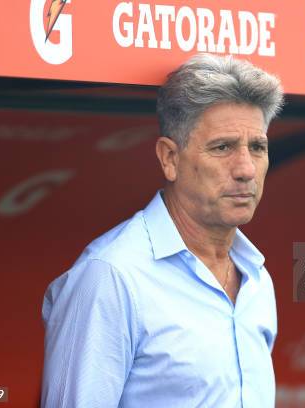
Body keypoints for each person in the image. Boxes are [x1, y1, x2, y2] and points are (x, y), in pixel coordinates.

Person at [41, 53, 284, 407]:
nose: (246, 168)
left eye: (257, 147)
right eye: (222, 147)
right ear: (170, 158)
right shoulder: (111, 275)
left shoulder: (256, 278)